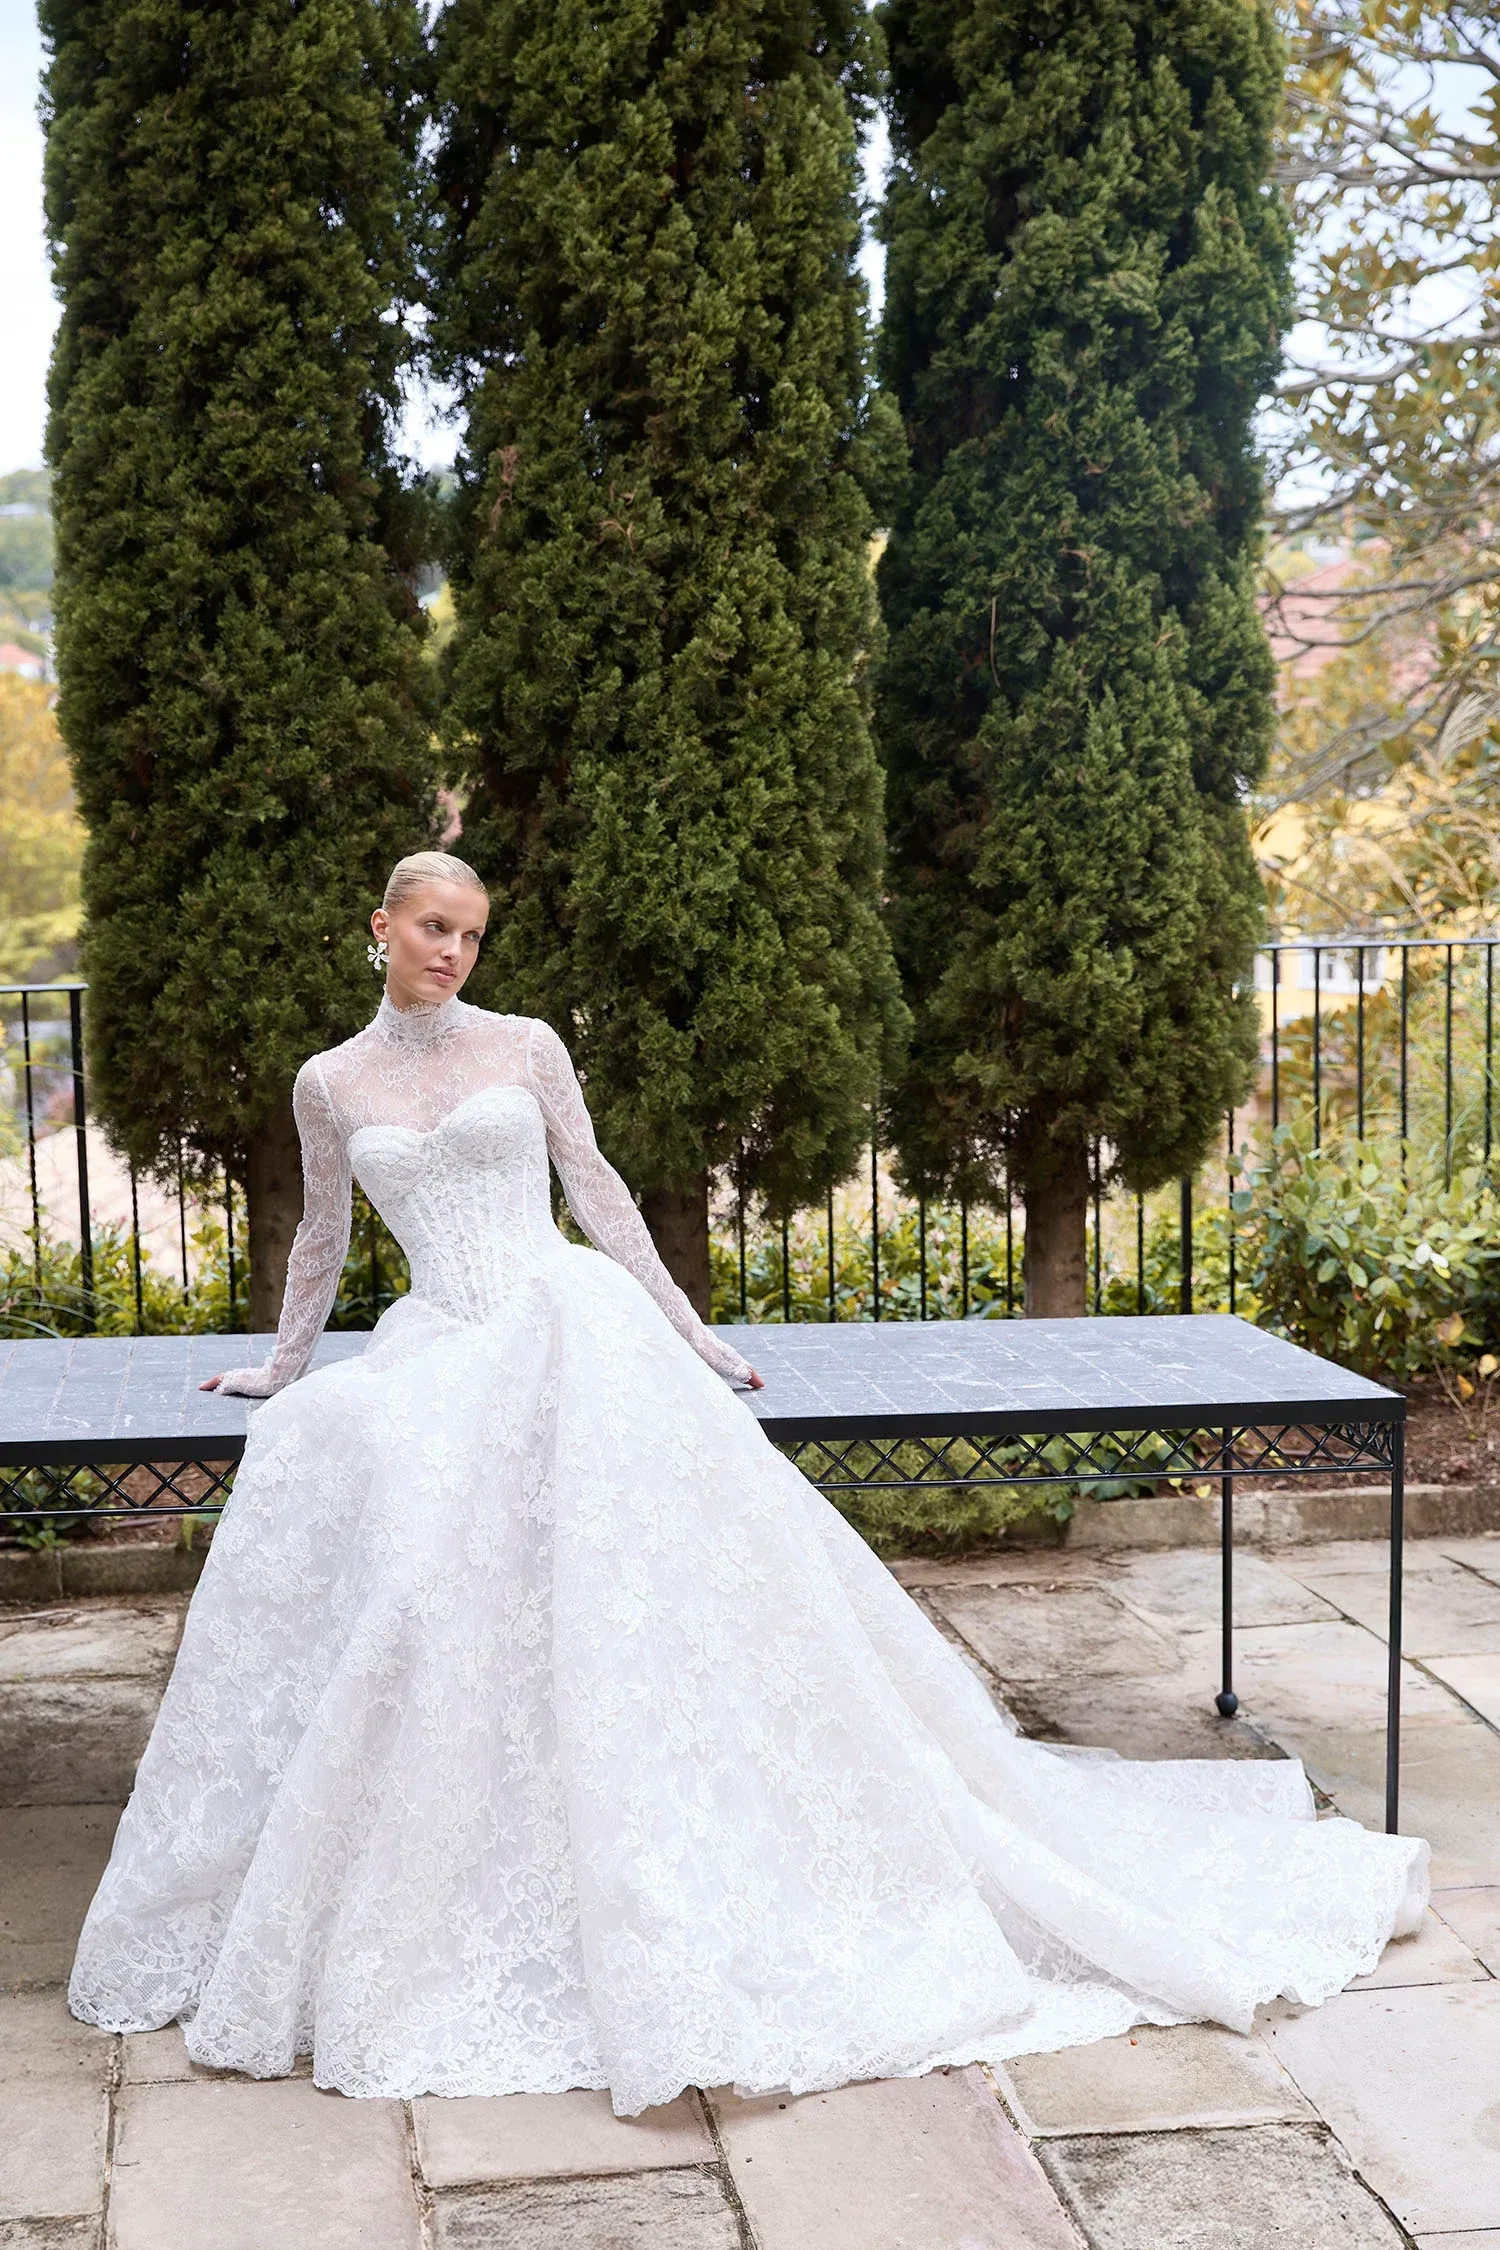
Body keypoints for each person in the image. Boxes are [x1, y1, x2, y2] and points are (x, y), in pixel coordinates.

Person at [68, 849, 1430, 2116]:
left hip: (565, 1325)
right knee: (398, 1544)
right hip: (440, 1346)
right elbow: (318, 1234)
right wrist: (282, 1368)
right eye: (435, 926)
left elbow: (597, 1192)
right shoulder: (329, 1082)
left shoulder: (524, 1047)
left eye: (473, 935)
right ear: (381, 925)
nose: (455, 952)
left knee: (621, 1586)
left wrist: (689, 1329)